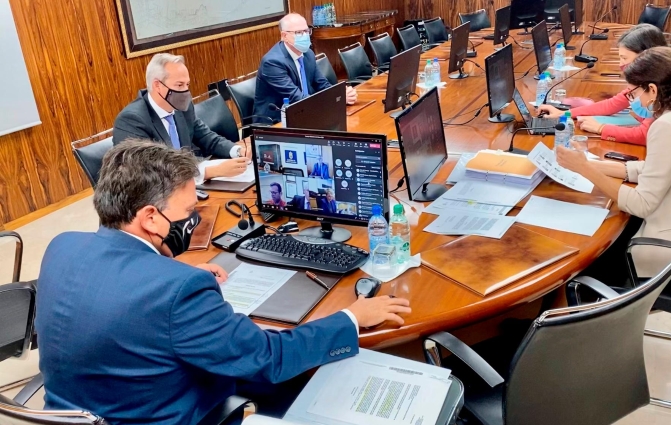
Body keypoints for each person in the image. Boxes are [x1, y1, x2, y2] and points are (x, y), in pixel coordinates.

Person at [34, 140, 411, 425]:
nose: (192, 222)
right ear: (150, 217)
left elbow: (119, 294)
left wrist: (174, 273)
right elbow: (267, 359)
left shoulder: (61, 246)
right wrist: (352, 317)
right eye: (188, 212)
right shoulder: (177, 291)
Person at [556, 47, 671, 282]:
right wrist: (589, 164)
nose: (635, 98)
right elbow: (657, 169)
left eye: (636, 92)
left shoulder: (669, 126)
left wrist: (585, 170)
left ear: (653, 90)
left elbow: (642, 204)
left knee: (577, 255)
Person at [113, 53, 250, 181]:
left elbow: (206, 137)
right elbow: (147, 174)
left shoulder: (182, 107)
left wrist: (237, 151)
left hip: (190, 184)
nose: (185, 92)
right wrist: (209, 172)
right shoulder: (131, 120)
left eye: (187, 85)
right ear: (157, 85)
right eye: (179, 85)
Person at [538, 24, 667, 145]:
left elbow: (645, 135)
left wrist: (601, 128)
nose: (620, 64)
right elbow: (612, 104)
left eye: (625, 58)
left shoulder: (661, 86)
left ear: (645, 56)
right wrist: (563, 114)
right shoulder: (646, 79)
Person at [253, 13, 357, 123]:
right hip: (276, 122)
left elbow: (322, 84)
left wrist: (340, 95)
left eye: (306, 31)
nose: (304, 35)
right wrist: (333, 100)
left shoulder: (308, 54)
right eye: (298, 32)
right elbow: (296, 97)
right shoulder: (272, 62)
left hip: (302, 113)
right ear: (284, 36)